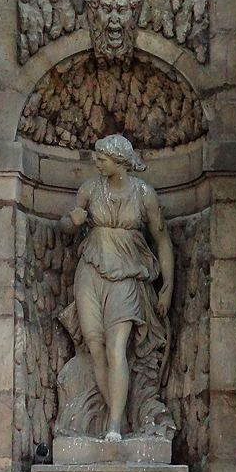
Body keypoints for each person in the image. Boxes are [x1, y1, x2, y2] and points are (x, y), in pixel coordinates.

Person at [58, 134, 174, 442]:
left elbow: (162, 239)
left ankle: (113, 424)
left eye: (101, 158)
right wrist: (72, 220)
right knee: (95, 346)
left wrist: (169, 285)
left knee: (116, 348)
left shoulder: (144, 194)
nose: (96, 162)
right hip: (90, 271)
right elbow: (66, 226)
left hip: (127, 274)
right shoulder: (89, 190)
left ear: (118, 161)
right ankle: (118, 419)